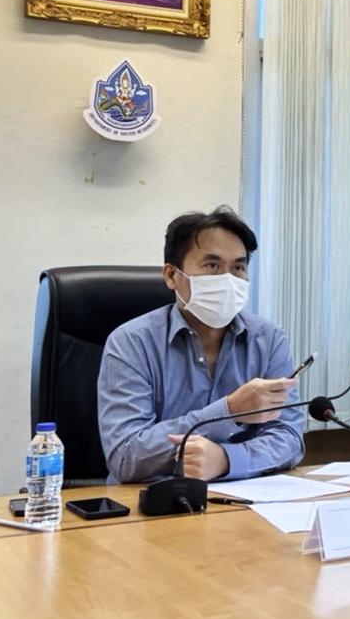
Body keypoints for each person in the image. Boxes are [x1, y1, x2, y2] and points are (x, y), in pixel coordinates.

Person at [98, 207, 303, 483]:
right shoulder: (131, 343)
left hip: (241, 497)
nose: (228, 280)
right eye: (212, 266)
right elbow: (126, 457)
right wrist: (229, 411)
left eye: (238, 267)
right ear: (171, 275)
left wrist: (226, 460)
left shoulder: (268, 339)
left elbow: (289, 438)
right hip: (150, 500)